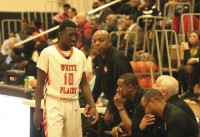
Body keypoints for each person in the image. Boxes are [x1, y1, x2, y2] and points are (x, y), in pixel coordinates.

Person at [33, 20, 98, 137]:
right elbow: (39, 84)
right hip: (54, 102)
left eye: (76, 35)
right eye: (70, 35)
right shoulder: (47, 53)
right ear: (60, 34)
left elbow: (83, 83)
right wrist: (37, 110)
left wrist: (92, 104)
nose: (74, 38)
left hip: (73, 102)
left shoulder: (80, 55)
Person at [91, 30, 133, 133]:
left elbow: (122, 88)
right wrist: (91, 101)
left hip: (125, 104)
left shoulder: (117, 58)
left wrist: (110, 109)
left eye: (101, 40)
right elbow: (98, 82)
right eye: (94, 40)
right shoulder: (99, 58)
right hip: (113, 102)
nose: (97, 43)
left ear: (109, 42)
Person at [179, 30, 200, 97]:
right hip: (191, 67)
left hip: (197, 68)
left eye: (194, 37)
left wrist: (187, 50)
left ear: (199, 39)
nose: (191, 38)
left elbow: (192, 61)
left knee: (192, 66)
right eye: (190, 36)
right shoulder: (188, 47)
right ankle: (186, 90)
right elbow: (186, 61)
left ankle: (190, 90)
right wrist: (183, 50)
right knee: (181, 68)